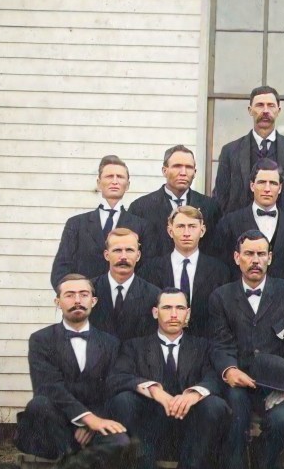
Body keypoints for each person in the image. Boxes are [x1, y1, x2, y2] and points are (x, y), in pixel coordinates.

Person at [209, 230, 284, 469]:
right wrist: (229, 370)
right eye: (248, 254)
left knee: (281, 419)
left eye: (260, 254)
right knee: (234, 410)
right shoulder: (222, 296)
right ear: (237, 258)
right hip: (240, 382)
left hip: (280, 384)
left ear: (270, 258)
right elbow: (220, 345)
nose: (255, 260)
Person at [13, 274, 132, 469]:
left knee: (120, 441)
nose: (77, 300)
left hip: (95, 419)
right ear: (57, 301)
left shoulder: (110, 343)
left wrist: (93, 422)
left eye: (83, 294)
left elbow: (111, 389)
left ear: (93, 301)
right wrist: (84, 419)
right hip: (55, 422)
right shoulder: (40, 340)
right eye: (69, 295)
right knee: (39, 403)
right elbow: (48, 387)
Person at [106, 288, 231, 469]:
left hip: (190, 422)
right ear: (155, 312)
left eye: (180, 308)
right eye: (167, 308)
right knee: (122, 400)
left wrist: (192, 394)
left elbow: (215, 377)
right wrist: (155, 390)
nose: (174, 314)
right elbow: (117, 377)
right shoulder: (134, 346)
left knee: (215, 405)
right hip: (149, 422)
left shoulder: (203, 347)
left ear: (188, 314)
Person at [50, 155, 151, 289]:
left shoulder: (141, 226)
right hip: (85, 303)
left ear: (127, 185)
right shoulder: (76, 224)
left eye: (120, 177)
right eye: (109, 176)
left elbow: (146, 270)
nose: (114, 181)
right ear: (98, 183)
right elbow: (60, 271)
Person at [212, 85, 284, 220]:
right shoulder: (230, 151)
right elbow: (221, 197)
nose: (265, 110)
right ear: (250, 110)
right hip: (240, 231)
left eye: (270, 105)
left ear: (278, 110)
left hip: (283, 233)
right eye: (259, 105)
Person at [138, 205, 231, 338]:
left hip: (205, 345)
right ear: (170, 231)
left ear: (202, 230)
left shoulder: (220, 271)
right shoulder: (150, 270)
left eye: (192, 227)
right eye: (180, 226)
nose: (186, 233)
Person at [215, 159, 284, 282]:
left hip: (283, 299)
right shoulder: (230, 223)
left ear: (280, 188)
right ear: (252, 185)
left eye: (273, 183)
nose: (267, 189)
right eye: (262, 182)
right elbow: (222, 268)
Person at [128, 145, 221, 259]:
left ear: (195, 172)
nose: (183, 172)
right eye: (177, 166)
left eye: (189, 167)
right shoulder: (140, 208)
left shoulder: (210, 207)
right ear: (164, 171)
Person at [88, 228, 161, 343]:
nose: (123, 256)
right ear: (106, 255)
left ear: (138, 255)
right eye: (117, 250)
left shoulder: (154, 295)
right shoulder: (88, 290)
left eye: (129, 250)